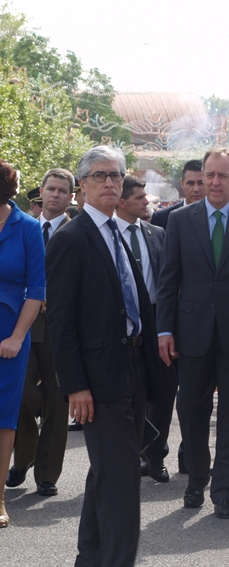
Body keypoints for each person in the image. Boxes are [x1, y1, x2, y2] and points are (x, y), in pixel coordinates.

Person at [45, 145, 160, 563]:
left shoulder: (119, 232)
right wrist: (75, 385)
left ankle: (90, 557)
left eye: (115, 176)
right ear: (82, 187)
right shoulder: (71, 240)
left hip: (131, 368)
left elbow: (137, 305)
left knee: (108, 474)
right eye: (99, 176)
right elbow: (61, 321)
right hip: (96, 378)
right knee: (123, 482)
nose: (110, 183)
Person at [156, 146, 229, 520]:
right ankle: (197, 479)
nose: (214, 182)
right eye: (209, 174)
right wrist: (164, 329)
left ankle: (225, 493)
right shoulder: (180, 219)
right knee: (190, 409)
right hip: (191, 333)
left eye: (222, 175)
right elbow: (168, 279)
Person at [8, 168, 74, 496]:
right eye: (51, 189)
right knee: (19, 396)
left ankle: (47, 474)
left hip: (63, 330)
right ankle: (23, 456)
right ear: (42, 192)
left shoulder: (78, 233)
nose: (55, 195)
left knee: (56, 401)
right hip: (24, 325)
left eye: (63, 191)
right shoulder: (25, 229)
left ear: (71, 197)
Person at [115, 175, 172, 482]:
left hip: (157, 322)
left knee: (163, 392)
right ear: (122, 202)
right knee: (130, 394)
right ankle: (130, 454)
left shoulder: (158, 233)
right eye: (139, 197)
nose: (146, 202)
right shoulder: (108, 235)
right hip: (123, 325)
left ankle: (155, 454)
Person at [0, 160, 45, 528]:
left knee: (3, 417)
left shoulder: (28, 228)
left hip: (10, 335)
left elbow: (37, 288)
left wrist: (17, 336)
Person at [149, 159, 205, 230]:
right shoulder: (162, 218)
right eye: (190, 183)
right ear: (182, 183)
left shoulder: (218, 216)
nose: (196, 189)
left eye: (201, 183)